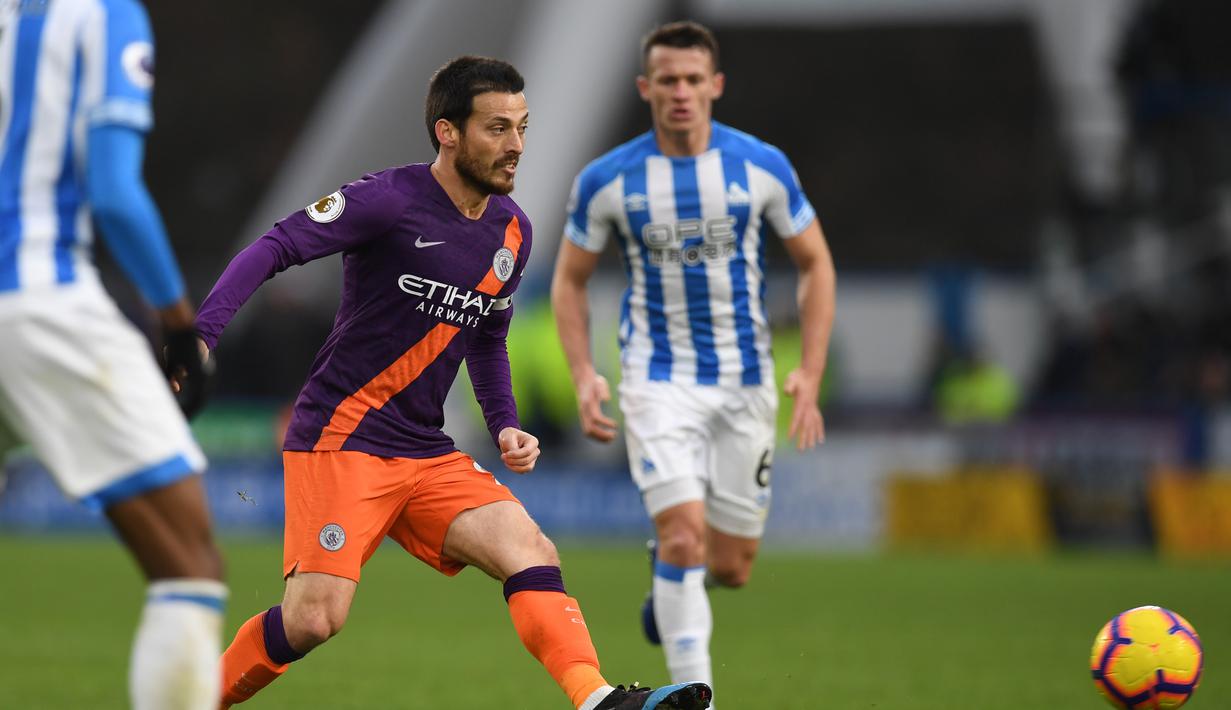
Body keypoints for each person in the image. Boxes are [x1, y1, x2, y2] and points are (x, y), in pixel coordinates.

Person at [198, 56, 712, 710]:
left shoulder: (512, 232)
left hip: (421, 448)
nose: (516, 145)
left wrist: (503, 422)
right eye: (497, 128)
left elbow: (487, 336)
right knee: (312, 619)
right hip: (342, 437)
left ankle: (596, 699)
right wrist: (204, 333)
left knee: (528, 547)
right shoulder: (388, 199)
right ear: (447, 132)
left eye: (522, 127)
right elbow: (276, 246)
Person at [551, 20, 835, 701]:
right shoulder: (607, 179)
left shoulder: (760, 164)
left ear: (715, 86)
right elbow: (569, 280)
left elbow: (814, 263)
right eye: (667, 81)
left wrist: (810, 372)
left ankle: (669, 578)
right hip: (656, 379)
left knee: (730, 566)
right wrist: (585, 373)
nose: (680, 92)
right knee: (684, 535)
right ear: (645, 88)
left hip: (745, 382)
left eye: (692, 80)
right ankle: (693, 695)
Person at [0, 1, 225, 708]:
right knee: (189, 564)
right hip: (38, 302)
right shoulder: (100, 15)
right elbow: (116, 194)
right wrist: (178, 322)